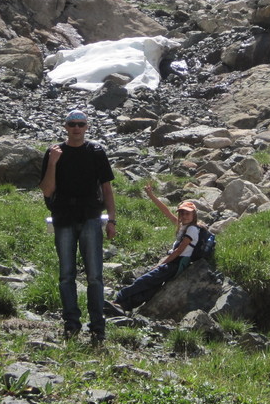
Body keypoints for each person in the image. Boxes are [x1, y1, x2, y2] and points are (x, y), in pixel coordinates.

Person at [39, 109, 117, 343]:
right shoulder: (54, 152)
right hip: (63, 217)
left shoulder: (96, 151)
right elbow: (46, 190)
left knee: (95, 275)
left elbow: (106, 188)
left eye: (80, 124)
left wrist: (111, 219)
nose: (76, 128)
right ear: (65, 127)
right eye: (72, 124)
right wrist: (53, 162)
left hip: (91, 217)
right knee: (66, 275)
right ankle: (71, 323)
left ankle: (97, 326)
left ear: (86, 127)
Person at [110, 184, 200, 312]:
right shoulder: (182, 225)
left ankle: (119, 299)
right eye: (182, 213)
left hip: (176, 263)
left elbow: (179, 250)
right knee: (152, 287)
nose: (184, 216)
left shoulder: (192, 229)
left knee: (146, 279)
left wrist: (162, 263)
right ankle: (125, 306)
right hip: (174, 261)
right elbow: (166, 211)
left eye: (188, 213)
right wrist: (151, 195)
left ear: (194, 215)